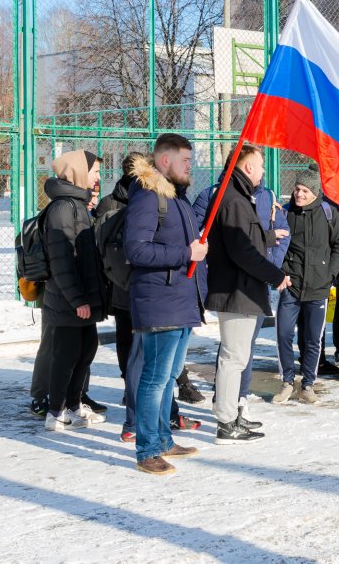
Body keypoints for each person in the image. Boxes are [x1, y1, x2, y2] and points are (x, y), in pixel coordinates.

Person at [125, 134, 211, 475]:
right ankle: (147, 449)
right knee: (155, 379)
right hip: (159, 303)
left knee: (169, 376)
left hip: (180, 301)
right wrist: (185, 253)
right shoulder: (149, 197)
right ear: (165, 161)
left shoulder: (176, 198)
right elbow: (137, 250)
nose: (191, 166)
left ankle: (163, 440)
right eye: (185, 161)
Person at [204, 144, 291, 443]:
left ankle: (232, 413)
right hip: (236, 290)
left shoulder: (239, 197)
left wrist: (266, 237)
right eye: (261, 165)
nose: (264, 171)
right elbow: (242, 250)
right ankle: (226, 422)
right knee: (233, 357)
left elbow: (245, 239)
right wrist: (275, 275)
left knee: (238, 357)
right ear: (248, 167)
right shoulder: (234, 199)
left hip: (242, 289)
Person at [42, 150, 107, 432]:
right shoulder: (62, 208)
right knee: (66, 356)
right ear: (78, 171)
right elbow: (62, 260)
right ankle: (54, 411)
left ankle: (72, 404)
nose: (98, 177)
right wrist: (78, 299)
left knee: (86, 351)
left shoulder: (77, 203)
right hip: (69, 300)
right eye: (94, 171)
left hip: (82, 299)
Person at [274, 167, 339, 404]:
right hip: (291, 285)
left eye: (305, 190)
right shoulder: (285, 213)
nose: (299, 194)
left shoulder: (328, 214)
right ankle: (287, 382)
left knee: (314, 338)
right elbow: (277, 246)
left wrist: (330, 273)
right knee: (283, 333)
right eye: (297, 189)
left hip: (318, 287)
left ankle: (307, 384)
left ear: (315, 192)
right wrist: (283, 271)